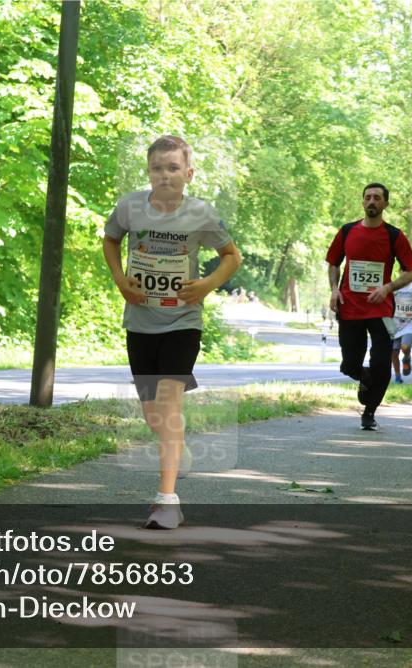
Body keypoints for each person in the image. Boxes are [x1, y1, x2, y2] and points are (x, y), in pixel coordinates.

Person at [103, 135, 242, 530]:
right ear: (148, 172)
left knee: (168, 406)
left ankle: (167, 502)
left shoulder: (201, 214)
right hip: (140, 323)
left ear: (188, 173)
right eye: (157, 168)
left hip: (183, 323)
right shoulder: (131, 206)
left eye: (173, 168)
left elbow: (232, 257)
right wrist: (119, 279)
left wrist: (206, 285)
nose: (164, 175)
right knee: (153, 415)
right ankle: (176, 451)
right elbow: (111, 240)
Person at [327, 182, 412, 431]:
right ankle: (363, 378)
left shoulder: (394, 236)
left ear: (385, 203)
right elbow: (334, 263)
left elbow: (410, 272)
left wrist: (387, 288)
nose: (372, 202)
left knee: (382, 364)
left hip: (381, 311)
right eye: (368, 197)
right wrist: (334, 290)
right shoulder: (347, 231)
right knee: (349, 365)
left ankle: (369, 412)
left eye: (377, 198)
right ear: (362, 201)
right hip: (350, 308)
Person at [390, 278, 412, 385]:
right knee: (393, 352)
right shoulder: (394, 285)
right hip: (395, 323)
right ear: (400, 271)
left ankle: (407, 357)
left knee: (405, 346)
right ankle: (397, 377)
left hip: (410, 323)